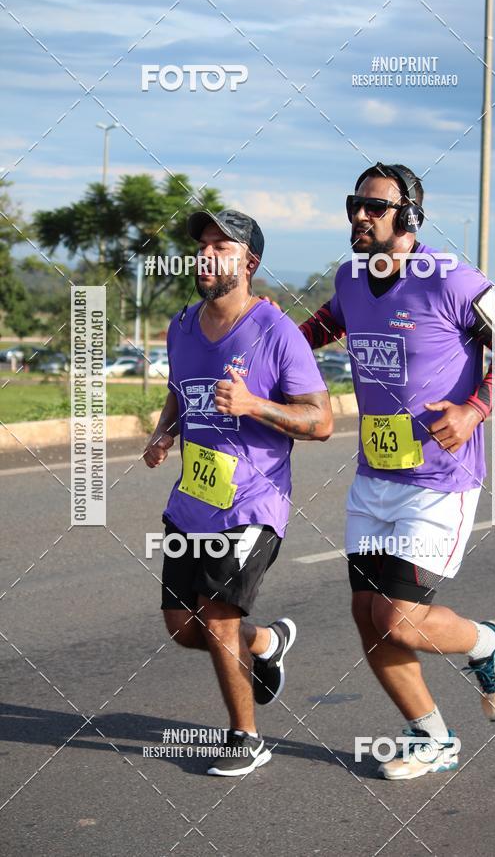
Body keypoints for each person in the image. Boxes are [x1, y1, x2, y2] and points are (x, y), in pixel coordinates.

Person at [298, 163, 495, 780]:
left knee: (400, 619)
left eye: (373, 206)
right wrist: (269, 346)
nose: (359, 216)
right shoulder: (351, 279)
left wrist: (476, 409)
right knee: (368, 616)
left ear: (409, 218)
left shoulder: (451, 279)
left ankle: (488, 643)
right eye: (354, 204)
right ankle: (430, 736)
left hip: (438, 480)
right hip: (376, 473)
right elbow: (317, 328)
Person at [144, 208, 332, 777]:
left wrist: (254, 405)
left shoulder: (276, 332)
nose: (205, 255)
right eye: (202, 245)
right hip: (191, 500)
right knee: (184, 628)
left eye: (220, 247)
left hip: (253, 501)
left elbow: (321, 421)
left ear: (248, 263)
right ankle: (266, 644)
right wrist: (164, 430)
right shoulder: (181, 325)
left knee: (218, 616)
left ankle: (244, 738)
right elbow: (181, 390)